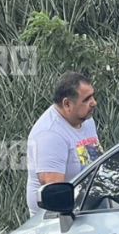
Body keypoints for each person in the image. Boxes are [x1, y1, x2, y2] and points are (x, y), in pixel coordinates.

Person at [26, 71, 103, 216]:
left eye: (93, 96)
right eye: (86, 99)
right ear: (67, 104)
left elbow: (94, 161)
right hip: (59, 223)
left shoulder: (86, 121)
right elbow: (56, 196)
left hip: (88, 211)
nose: (94, 102)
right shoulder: (50, 135)